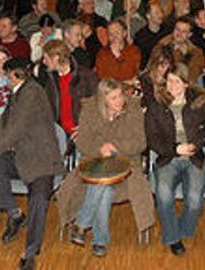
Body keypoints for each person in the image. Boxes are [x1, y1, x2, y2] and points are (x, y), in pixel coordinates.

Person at [0, 57, 65, 270]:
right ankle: (15, 214)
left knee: (38, 199)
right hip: (22, 157)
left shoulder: (31, 92)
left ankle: (30, 253)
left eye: (7, 74)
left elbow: (17, 126)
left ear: (13, 74)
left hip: (41, 160)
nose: (5, 78)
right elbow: (4, 124)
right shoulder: (18, 92)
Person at [56, 78, 155, 257]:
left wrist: (115, 146)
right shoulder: (90, 110)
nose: (119, 101)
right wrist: (100, 149)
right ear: (103, 100)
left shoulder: (133, 109)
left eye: (120, 96)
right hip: (94, 162)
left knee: (101, 186)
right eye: (113, 98)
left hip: (127, 166)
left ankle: (82, 225)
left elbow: (140, 142)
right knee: (104, 188)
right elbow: (83, 140)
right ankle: (100, 239)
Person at [145, 63, 205, 255]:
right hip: (167, 157)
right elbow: (152, 139)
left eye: (177, 81)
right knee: (163, 194)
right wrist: (175, 149)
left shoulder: (199, 102)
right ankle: (173, 238)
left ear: (186, 84)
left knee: (195, 200)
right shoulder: (156, 104)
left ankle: (183, 229)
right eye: (169, 80)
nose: (172, 85)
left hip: (194, 157)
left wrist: (197, 143)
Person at [41, 40, 97, 139]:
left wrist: (86, 126)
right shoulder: (51, 80)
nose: (43, 62)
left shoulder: (85, 76)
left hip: (83, 132)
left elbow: (97, 104)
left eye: (46, 58)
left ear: (56, 58)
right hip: (61, 134)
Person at [153, 18, 205, 83]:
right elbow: (151, 67)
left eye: (184, 31)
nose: (179, 33)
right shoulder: (161, 47)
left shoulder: (196, 54)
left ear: (189, 35)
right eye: (177, 29)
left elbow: (192, 78)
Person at [134, 2, 170, 70]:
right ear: (148, 16)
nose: (160, 15)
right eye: (156, 13)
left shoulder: (168, 31)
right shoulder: (140, 36)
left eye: (161, 11)